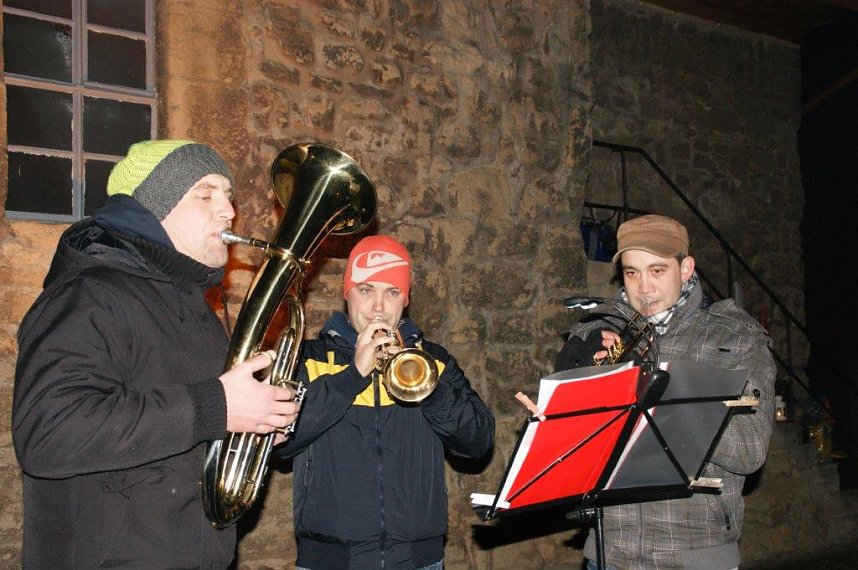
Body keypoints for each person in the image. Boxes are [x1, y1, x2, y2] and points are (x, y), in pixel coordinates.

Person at [13, 139, 300, 568]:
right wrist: (217, 407)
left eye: (228, 196)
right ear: (151, 207)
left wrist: (252, 429)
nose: (228, 211)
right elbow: (48, 432)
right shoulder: (89, 294)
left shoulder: (196, 309)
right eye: (206, 194)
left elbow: (183, 433)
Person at [555, 214, 775, 570]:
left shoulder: (734, 338)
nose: (643, 288)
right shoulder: (602, 333)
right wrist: (589, 380)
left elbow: (750, 451)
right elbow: (568, 448)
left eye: (656, 271)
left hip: (695, 556)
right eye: (632, 272)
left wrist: (658, 385)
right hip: (610, 552)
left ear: (686, 268)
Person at [277, 234, 495, 570]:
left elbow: (478, 441)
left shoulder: (434, 361)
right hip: (330, 561)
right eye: (366, 290)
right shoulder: (308, 359)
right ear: (346, 293)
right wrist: (353, 376)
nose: (379, 307)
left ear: (405, 300)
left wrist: (426, 388)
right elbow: (279, 443)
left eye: (392, 292)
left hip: (419, 561)